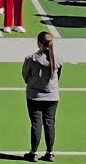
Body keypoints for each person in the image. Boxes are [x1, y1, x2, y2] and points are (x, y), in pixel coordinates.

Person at [22, 31, 61, 162]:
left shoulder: (31, 59)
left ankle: (33, 152)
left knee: (36, 124)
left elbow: (25, 76)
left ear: (39, 43)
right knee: (50, 123)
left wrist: (33, 83)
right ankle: (50, 152)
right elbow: (58, 76)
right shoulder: (58, 59)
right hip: (52, 96)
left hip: (34, 96)